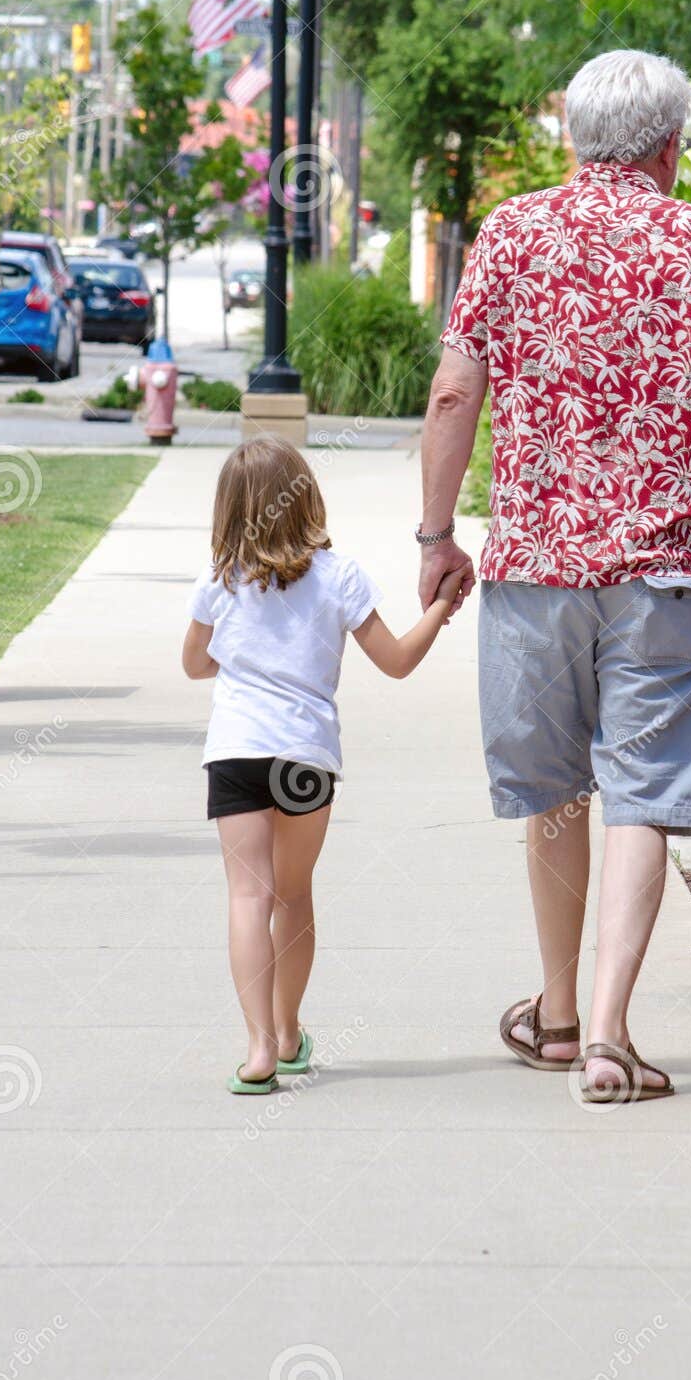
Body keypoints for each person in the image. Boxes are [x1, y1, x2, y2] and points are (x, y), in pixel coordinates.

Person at [417, 48, 691, 1103]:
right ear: (672, 145)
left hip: (535, 570)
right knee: (644, 796)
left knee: (560, 790)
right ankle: (616, 1034)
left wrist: (437, 535)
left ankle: (560, 1013)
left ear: (570, 136)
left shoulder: (514, 232)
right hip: (668, 570)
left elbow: (451, 395)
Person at [183, 436, 469, 1095]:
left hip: (235, 752)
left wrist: (245, 661)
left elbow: (194, 664)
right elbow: (396, 661)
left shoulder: (219, 581)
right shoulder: (339, 576)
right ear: (306, 496)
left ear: (228, 510)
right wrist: (439, 608)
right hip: (305, 758)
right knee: (293, 893)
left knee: (247, 898)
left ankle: (256, 1050)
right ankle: (287, 1032)